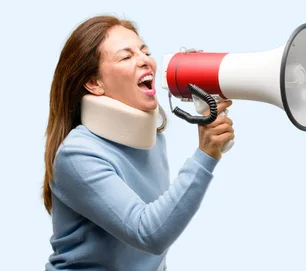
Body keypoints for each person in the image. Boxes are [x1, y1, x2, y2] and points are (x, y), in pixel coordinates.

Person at [42, 15, 234, 270]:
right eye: (126, 56)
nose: (145, 60)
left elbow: (151, 256)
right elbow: (150, 234)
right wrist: (205, 155)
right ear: (94, 83)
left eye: (145, 51)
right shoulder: (77, 155)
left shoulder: (154, 141)